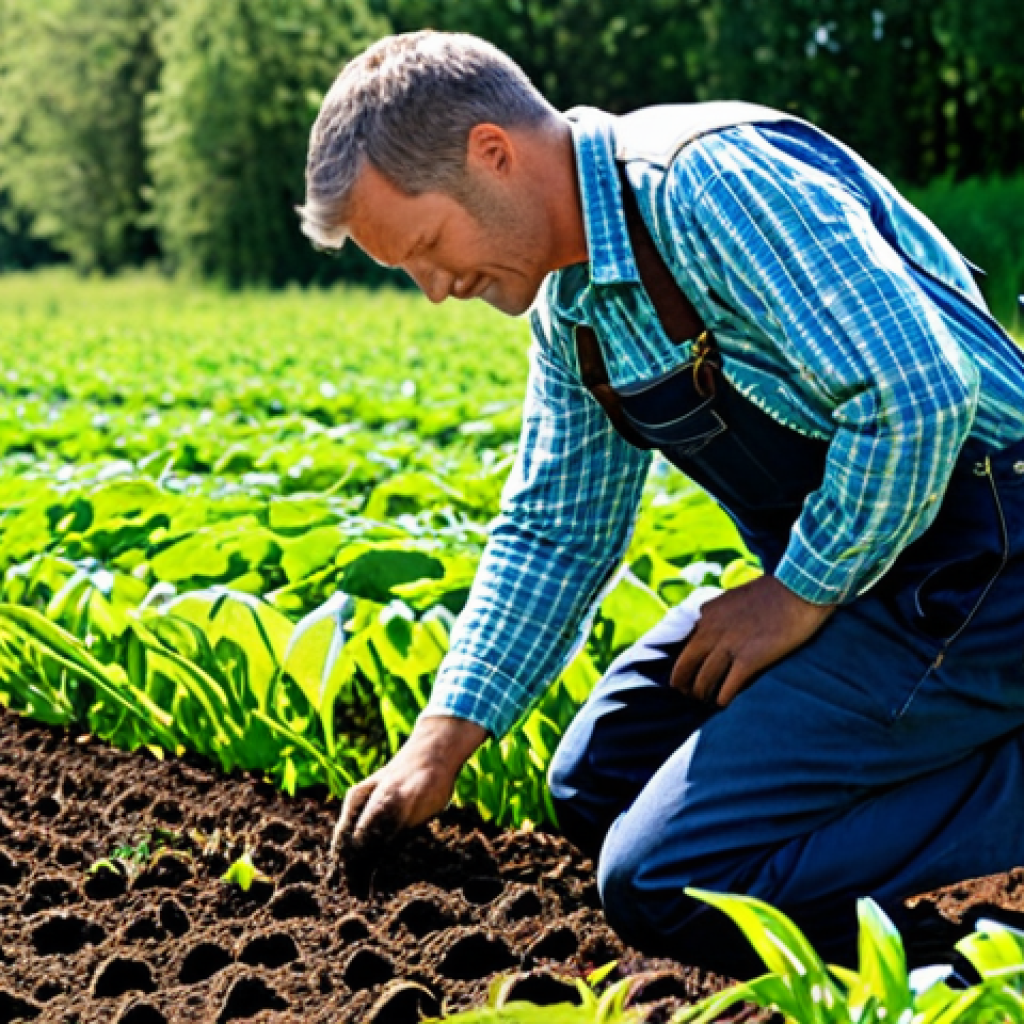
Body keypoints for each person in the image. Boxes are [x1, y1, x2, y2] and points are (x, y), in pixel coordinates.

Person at [300, 30, 1024, 977]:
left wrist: (797, 593)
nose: (436, 290)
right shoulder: (576, 312)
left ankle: (963, 953)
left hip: (986, 558)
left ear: (491, 152)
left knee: (663, 878)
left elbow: (916, 392)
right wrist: (440, 742)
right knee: (599, 782)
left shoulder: (705, 184)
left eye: (429, 247)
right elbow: (556, 529)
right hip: (877, 568)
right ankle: (900, 899)